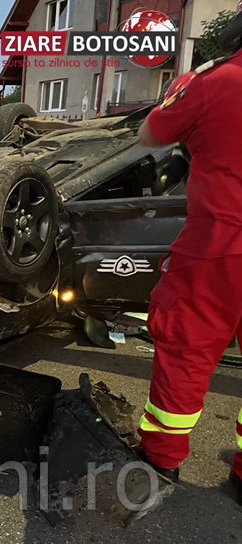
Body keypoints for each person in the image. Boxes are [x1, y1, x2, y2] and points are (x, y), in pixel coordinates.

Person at [135, 4, 242, 505]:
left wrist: (180, 100)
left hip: (220, 244)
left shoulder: (216, 81)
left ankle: (161, 461)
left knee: (186, 347)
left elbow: (149, 135)